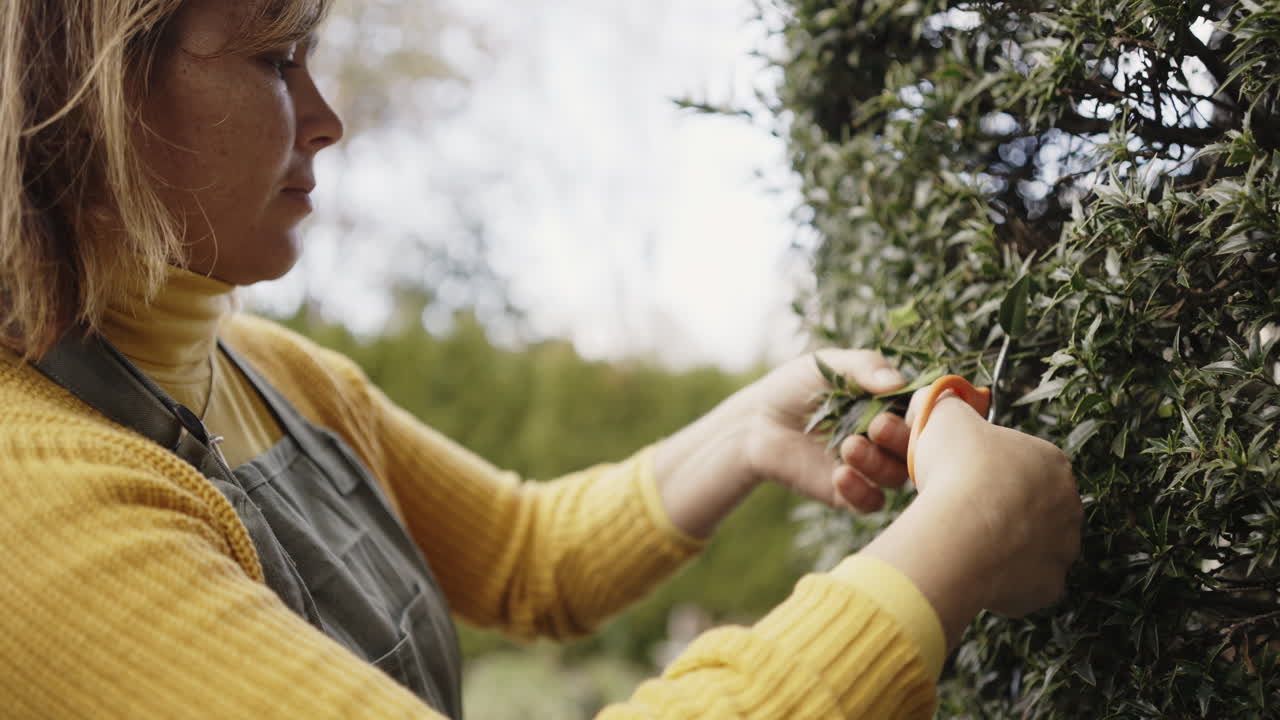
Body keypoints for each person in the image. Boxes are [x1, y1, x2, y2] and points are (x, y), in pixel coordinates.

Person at [0, 1, 1082, 718]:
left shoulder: (274, 374)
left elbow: (525, 557)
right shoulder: (33, 507)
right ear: (85, 84)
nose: (326, 120)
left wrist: (753, 423)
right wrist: (956, 544)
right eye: (276, 59)